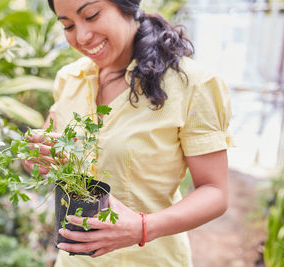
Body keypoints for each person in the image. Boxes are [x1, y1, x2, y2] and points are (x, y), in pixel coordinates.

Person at [23, 0, 234, 266]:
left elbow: (215, 191)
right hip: (75, 260)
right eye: (68, 25)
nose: (81, 36)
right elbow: (49, 151)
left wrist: (142, 227)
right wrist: (35, 158)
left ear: (127, 6)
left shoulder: (192, 84)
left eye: (92, 15)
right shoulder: (70, 79)